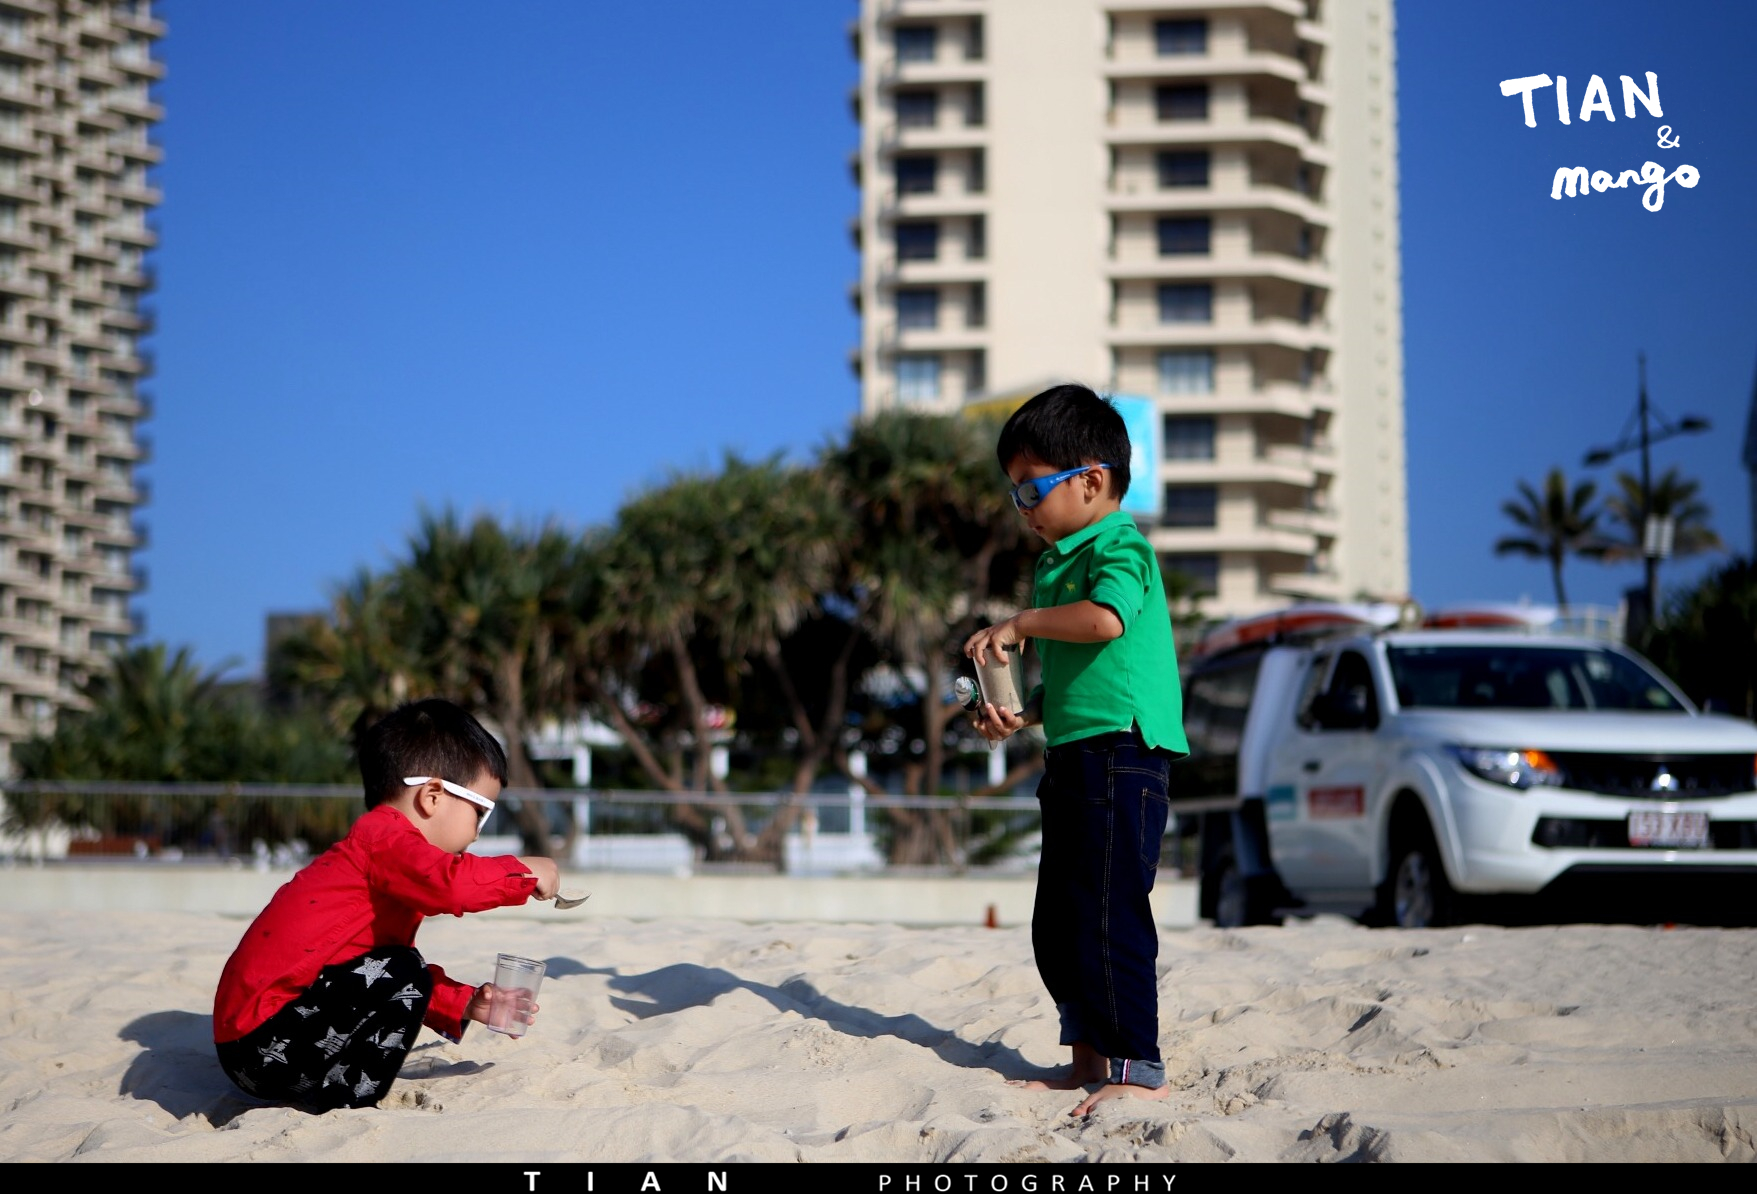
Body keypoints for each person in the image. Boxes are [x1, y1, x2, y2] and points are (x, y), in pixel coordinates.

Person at [963, 383, 1188, 1116]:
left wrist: (1022, 623)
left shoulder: (1121, 545)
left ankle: (1134, 1067)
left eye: (1032, 488)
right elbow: (1072, 681)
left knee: (1109, 912)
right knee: (1058, 918)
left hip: (1124, 755)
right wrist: (1018, 716)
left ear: (1091, 481)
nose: (1023, 507)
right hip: (1073, 753)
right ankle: (1087, 1057)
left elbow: (1106, 625)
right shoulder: (1055, 560)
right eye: (1014, 493)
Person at [212, 698, 560, 1112]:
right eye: (480, 812)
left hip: (259, 1044)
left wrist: (464, 1002)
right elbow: (452, 887)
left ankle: (339, 1089)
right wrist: (522, 872)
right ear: (432, 795)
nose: (477, 833)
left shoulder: (381, 855)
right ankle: (348, 1101)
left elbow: (376, 974)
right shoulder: (384, 839)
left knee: (399, 963)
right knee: (403, 964)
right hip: (261, 1044)